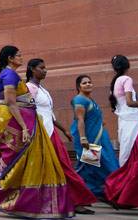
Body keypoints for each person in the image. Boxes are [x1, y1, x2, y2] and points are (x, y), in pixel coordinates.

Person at [0, 45, 73, 218]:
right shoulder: (9, 75)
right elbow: (10, 102)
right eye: (18, 55)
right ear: (10, 58)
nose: (21, 58)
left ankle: (11, 199)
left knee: (23, 162)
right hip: (16, 122)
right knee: (19, 162)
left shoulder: (9, 75)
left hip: (17, 120)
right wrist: (23, 127)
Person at [26, 59, 97, 214]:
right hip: (41, 135)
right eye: (41, 68)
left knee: (64, 166)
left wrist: (64, 130)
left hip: (51, 133)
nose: (45, 70)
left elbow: (49, 115)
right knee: (58, 167)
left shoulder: (41, 89)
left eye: (45, 68)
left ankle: (75, 199)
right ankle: (74, 200)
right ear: (32, 69)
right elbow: (27, 113)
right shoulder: (30, 88)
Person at [104, 55, 138, 212]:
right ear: (127, 65)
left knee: (134, 162)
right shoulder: (127, 79)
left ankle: (121, 194)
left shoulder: (115, 82)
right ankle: (124, 194)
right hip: (135, 124)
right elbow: (131, 102)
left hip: (125, 124)